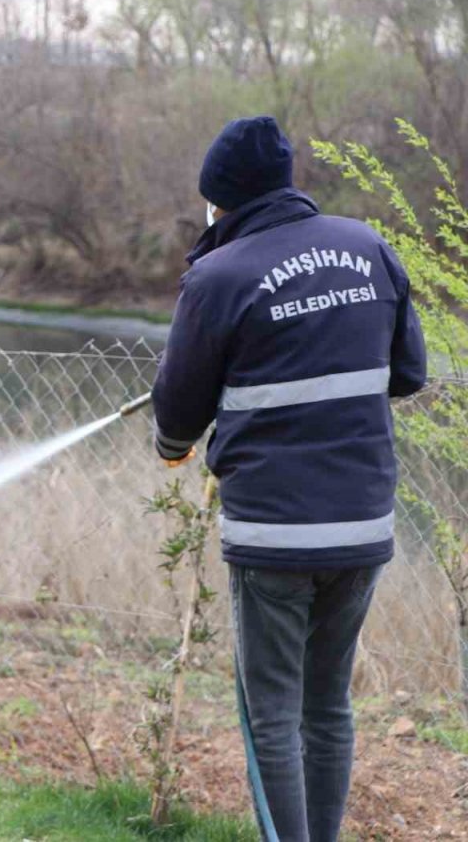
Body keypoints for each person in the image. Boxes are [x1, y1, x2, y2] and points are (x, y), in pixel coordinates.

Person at [150, 116, 427, 842]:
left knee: (271, 714)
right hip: (363, 527)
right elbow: (408, 374)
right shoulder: (369, 248)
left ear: (220, 199)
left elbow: (177, 413)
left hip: (274, 535)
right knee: (328, 706)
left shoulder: (218, 276)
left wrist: (174, 446)